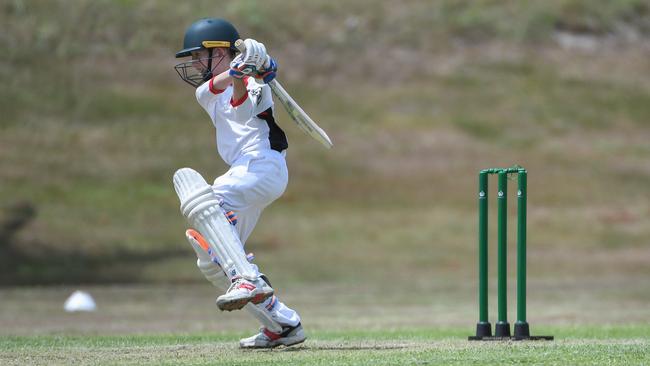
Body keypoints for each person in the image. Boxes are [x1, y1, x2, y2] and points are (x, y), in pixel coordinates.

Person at [172, 18, 305, 348]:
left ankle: (248, 279)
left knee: (205, 200)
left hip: (262, 167)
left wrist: (254, 74)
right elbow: (221, 86)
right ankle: (283, 325)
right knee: (216, 262)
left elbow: (241, 102)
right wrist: (239, 69)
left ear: (219, 52)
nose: (194, 64)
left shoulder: (259, 89)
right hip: (246, 174)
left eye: (199, 56)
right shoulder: (206, 92)